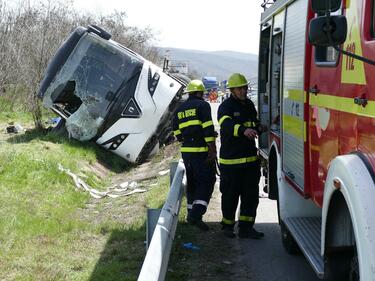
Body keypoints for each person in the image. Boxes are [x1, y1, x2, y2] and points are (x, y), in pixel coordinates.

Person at [217, 73, 266, 239]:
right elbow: (227, 124)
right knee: (230, 196)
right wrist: (243, 130)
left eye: (245, 87)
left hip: (251, 162)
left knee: (250, 197)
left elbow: (253, 126)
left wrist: (261, 127)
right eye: (240, 88)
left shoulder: (250, 105)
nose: (244, 90)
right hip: (231, 162)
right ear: (232, 90)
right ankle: (227, 227)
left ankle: (246, 228)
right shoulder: (225, 107)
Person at [173, 80, 217, 231]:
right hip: (201, 151)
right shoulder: (203, 105)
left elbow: (176, 131)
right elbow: (207, 126)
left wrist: (184, 138)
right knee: (206, 181)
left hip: (187, 152)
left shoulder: (180, 109)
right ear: (200, 93)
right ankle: (196, 215)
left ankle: (191, 212)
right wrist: (211, 146)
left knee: (192, 182)